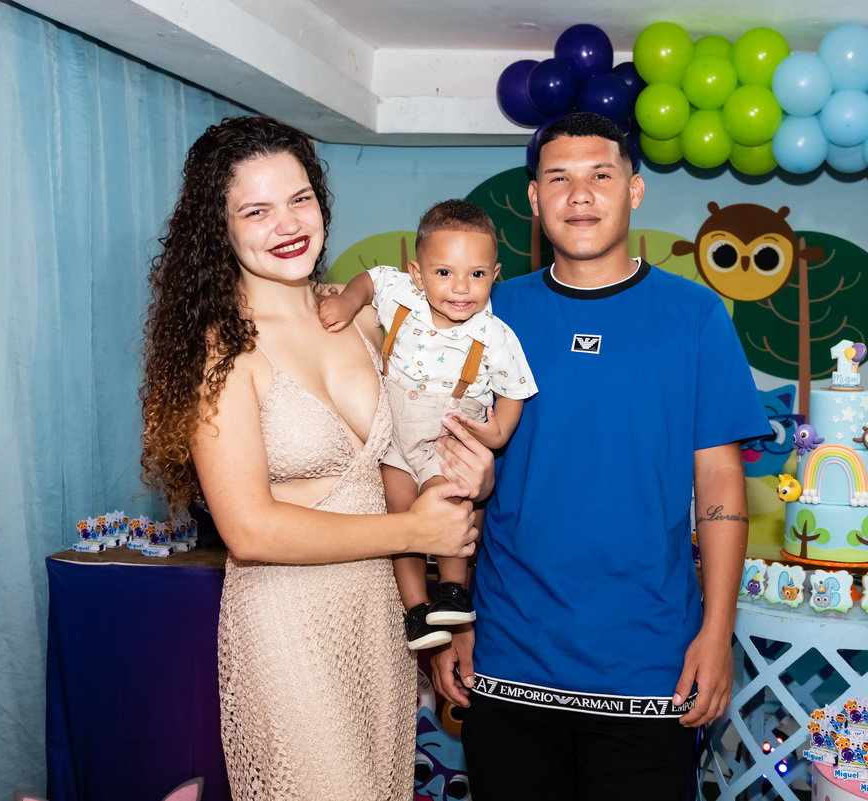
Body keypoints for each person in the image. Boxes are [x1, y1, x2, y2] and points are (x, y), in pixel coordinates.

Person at [139, 115, 495, 801]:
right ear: (219, 228)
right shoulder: (222, 351)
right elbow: (249, 529)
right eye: (256, 210)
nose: (288, 224)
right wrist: (413, 530)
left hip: (382, 616)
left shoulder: (366, 316)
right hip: (287, 625)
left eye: (300, 198)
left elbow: (432, 441)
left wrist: (475, 474)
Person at [431, 112, 772, 799]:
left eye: (600, 175)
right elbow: (454, 470)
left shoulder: (695, 316)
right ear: (535, 198)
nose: (580, 195)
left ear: (634, 190)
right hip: (509, 654)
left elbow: (719, 483)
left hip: (649, 662)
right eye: (558, 178)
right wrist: (453, 616)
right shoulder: (489, 315)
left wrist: (718, 632)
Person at [318, 199, 536, 650]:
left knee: (448, 503)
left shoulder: (495, 336)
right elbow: (369, 280)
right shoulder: (401, 295)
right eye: (444, 272)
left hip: (447, 438)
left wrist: (498, 433)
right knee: (402, 519)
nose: (461, 287)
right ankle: (416, 609)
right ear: (417, 274)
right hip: (396, 439)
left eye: (477, 274)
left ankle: (453, 591)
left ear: (495, 275)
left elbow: (514, 390)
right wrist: (347, 301)